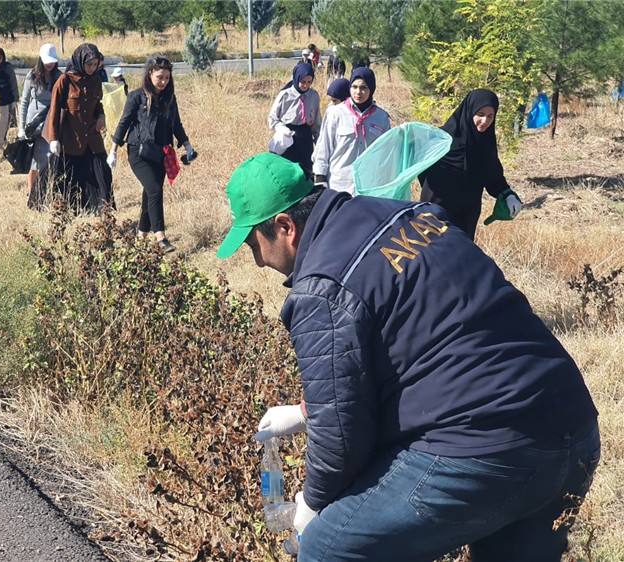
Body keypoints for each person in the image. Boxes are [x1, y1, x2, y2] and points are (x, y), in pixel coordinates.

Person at [217, 152, 600, 562]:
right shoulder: (406, 214)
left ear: (285, 227)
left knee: (326, 548)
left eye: (254, 245)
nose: (258, 261)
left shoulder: (321, 289)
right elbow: (429, 340)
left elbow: (340, 439)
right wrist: (305, 411)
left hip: (486, 452)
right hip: (572, 423)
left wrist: (312, 506)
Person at [109, 56, 196, 254]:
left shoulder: (169, 98)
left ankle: (140, 237)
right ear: (150, 74)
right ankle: (160, 237)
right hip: (138, 152)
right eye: (159, 77)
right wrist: (112, 151)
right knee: (155, 190)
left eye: (166, 77)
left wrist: (187, 145)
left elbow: (176, 124)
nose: (163, 81)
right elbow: (123, 123)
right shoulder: (136, 97)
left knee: (149, 193)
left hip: (160, 153)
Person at [419, 89, 523, 240]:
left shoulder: (485, 144)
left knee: (461, 253)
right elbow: (418, 166)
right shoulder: (440, 140)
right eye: (480, 114)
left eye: (490, 116)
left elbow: (493, 176)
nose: (485, 121)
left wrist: (508, 194)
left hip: (466, 216)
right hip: (435, 213)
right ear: (469, 111)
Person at [44, 43, 113, 212]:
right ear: (80, 61)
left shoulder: (96, 80)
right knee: (68, 178)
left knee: (102, 175)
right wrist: (53, 138)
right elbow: (54, 110)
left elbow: (97, 104)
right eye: (89, 64)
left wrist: (101, 116)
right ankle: (68, 210)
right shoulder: (65, 80)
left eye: (95, 64)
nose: (92, 68)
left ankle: (104, 211)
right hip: (70, 139)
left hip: (92, 137)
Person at [312, 67, 390, 194]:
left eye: (364, 88)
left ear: (371, 89)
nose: (358, 92)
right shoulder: (336, 113)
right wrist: (320, 178)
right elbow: (323, 147)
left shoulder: (381, 117)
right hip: (339, 185)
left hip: (369, 186)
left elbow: (386, 153)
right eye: (354, 87)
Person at [20, 43, 62, 199]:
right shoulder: (32, 75)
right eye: (47, 61)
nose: (50, 64)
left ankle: (46, 191)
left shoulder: (60, 77)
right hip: (34, 124)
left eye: (52, 61)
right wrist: (21, 127)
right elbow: (24, 102)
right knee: (35, 160)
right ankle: (31, 192)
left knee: (50, 158)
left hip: (51, 121)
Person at [268, 63, 321, 176]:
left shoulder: (314, 96)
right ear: (296, 78)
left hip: (305, 139)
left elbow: (316, 123)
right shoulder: (285, 95)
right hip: (288, 138)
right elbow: (272, 119)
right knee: (287, 172)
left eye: (309, 82)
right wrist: (282, 129)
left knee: (305, 172)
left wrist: (319, 143)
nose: (305, 85)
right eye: (303, 81)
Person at [0, 47, 19, 144]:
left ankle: (7, 141)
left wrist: (15, 99)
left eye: (0, 58)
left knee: (9, 122)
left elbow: (13, 83)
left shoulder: (7, 67)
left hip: (8, 98)